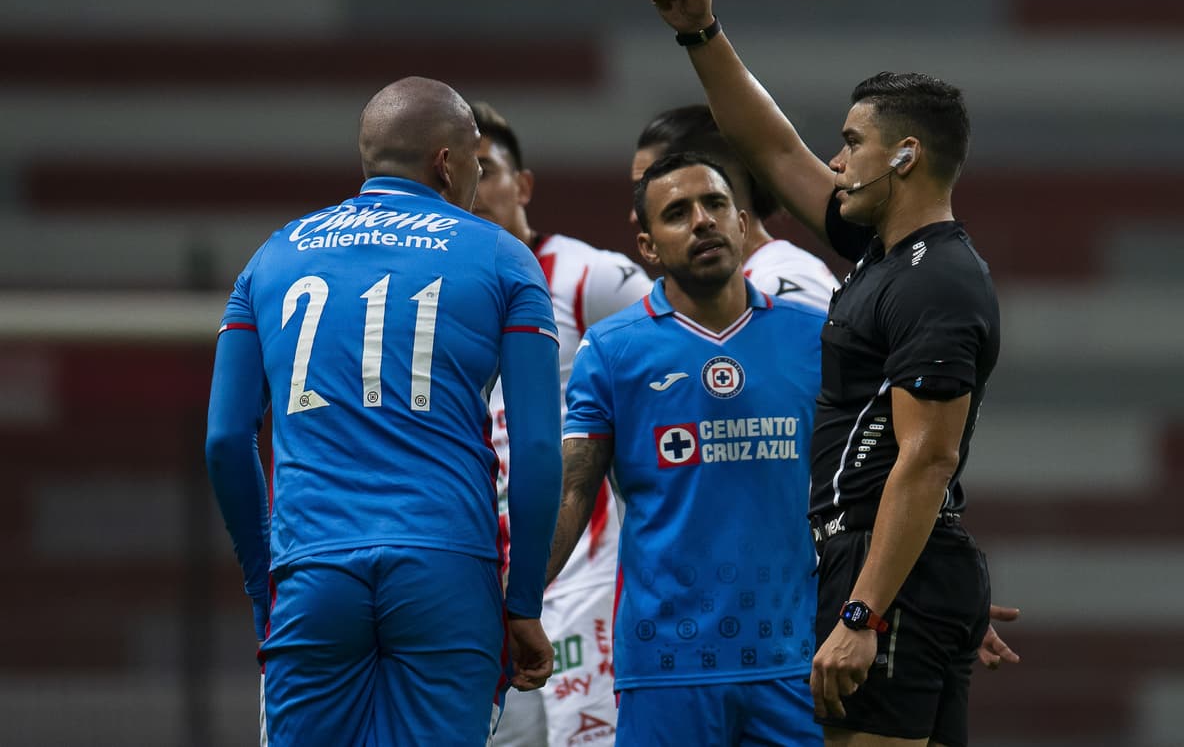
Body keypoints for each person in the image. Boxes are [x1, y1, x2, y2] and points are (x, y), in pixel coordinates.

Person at [646, 0, 1009, 746]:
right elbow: (772, 149)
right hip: (899, 574)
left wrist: (863, 611)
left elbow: (926, 461)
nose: (836, 161)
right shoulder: (883, 251)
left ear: (905, 155)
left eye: (851, 143)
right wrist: (699, 31)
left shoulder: (937, 280)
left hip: (883, 578)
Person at [204, 77, 562, 746]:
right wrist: (524, 604)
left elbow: (226, 441)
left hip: (312, 567)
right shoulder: (505, 259)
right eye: (477, 166)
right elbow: (541, 451)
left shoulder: (271, 257)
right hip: (446, 570)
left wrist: (265, 583)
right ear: (448, 163)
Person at [549, 151, 828, 746]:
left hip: (794, 660)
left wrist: (932, 593)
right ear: (648, 247)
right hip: (665, 668)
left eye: (715, 205)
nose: (702, 221)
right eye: (677, 213)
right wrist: (516, 606)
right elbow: (572, 493)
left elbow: (865, 484)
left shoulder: (815, 340)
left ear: (744, 223)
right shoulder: (612, 350)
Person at [469, 101, 652, 747]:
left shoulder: (586, 276)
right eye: (459, 174)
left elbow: (680, 336)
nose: (474, 187)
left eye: (486, 169)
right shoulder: (441, 296)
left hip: (582, 573)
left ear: (523, 185)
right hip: (478, 588)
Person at [632, 104, 839, 311]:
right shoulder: (736, 293)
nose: (635, 216)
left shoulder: (779, 282)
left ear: (706, 178)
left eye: (648, 187)